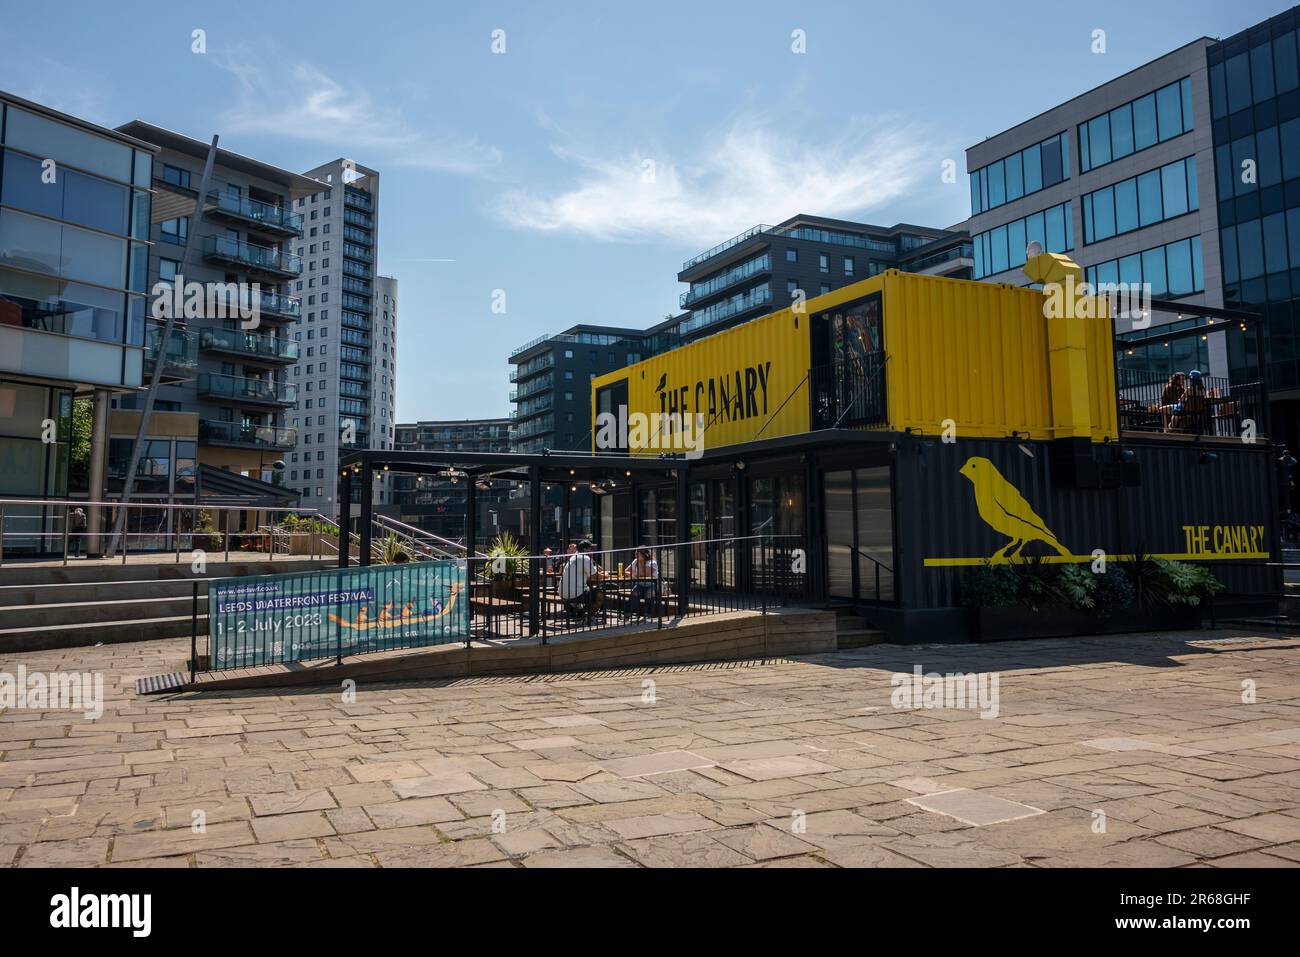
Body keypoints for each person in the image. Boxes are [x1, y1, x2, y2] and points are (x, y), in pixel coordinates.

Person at [558, 540, 603, 623]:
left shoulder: (573, 557)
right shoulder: (585, 558)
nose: (592, 551)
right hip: (574, 593)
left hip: (562, 593)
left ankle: (583, 615)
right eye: (590, 549)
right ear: (585, 550)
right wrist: (605, 575)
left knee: (591, 591)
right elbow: (595, 576)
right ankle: (588, 617)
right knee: (599, 595)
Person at [623, 547, 659, 619]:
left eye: (637, 554)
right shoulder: (635, 561)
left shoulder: (652, 563)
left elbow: (645, 574)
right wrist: (633, 574)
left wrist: (640, 564)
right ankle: (628, 613)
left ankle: (648, 614)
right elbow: (625, 571)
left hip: (651, 585)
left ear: (644, 555)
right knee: (634, 592)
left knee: (649, 593)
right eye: (635, 553)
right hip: (640, 584)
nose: (635, 555)